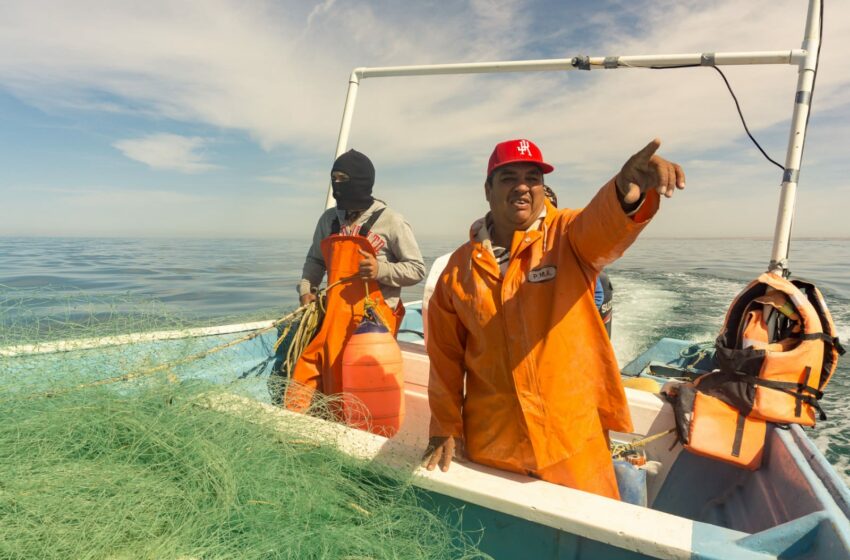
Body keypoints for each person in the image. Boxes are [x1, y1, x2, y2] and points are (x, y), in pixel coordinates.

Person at [423, 138, 684, 499]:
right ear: (487, 190)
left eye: (533, 177)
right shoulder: (458, 269)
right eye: (508, 177)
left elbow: (603, 228)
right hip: (492, 448)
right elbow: (445, 357)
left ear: (543, 189)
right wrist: (444, 427)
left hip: (573, 443)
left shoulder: (568, 235)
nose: (523, 186)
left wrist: (625, 194)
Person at [278, 149, 426, 410]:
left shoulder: (392, 221)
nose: (337, 185)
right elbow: (315, 260)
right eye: (334, 178)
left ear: (361, 181)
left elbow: (416, 269)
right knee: (303, 380)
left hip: (372, 325)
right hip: (332, 319)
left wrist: (380, 270)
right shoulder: (328, 220)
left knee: (357, 390)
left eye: (343, 178)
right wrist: (306, 289)